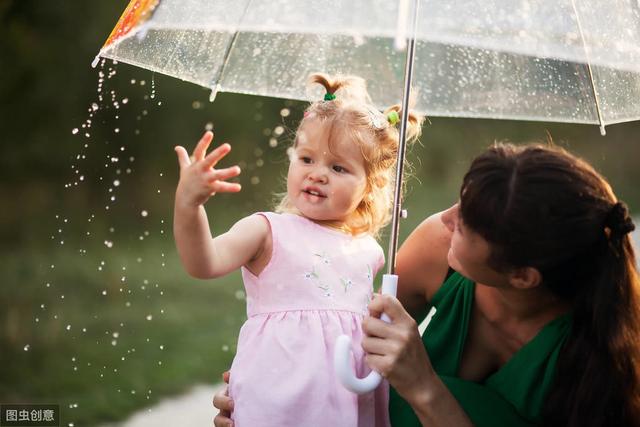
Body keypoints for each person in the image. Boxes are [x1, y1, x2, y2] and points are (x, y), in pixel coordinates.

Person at [213, 143, 640, 427]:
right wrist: (272, 395)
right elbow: (337, 349)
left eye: (466, 224)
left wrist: (423, 386)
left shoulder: (602, 362)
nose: (446, 217)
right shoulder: (436, 251)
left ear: (522, 276)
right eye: (461, 200)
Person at [174, 73, 423, 427]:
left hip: (348, 402)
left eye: (338, 167)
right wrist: (189, 206)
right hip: (277, 398)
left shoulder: (369, 251)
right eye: (307, 159)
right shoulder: (267, 229)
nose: (318, 174)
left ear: (370, 186)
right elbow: (203, 262)